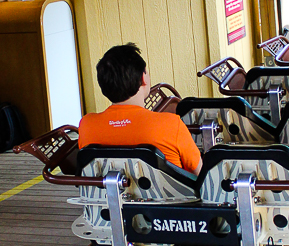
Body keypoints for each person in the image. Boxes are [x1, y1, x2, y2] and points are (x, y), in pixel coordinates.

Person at [79, 43, 201, 175]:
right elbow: (199, 175)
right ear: (143, 79)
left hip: (107, 195)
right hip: (172, 195)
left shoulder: (87, 125)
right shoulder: (171, 124)